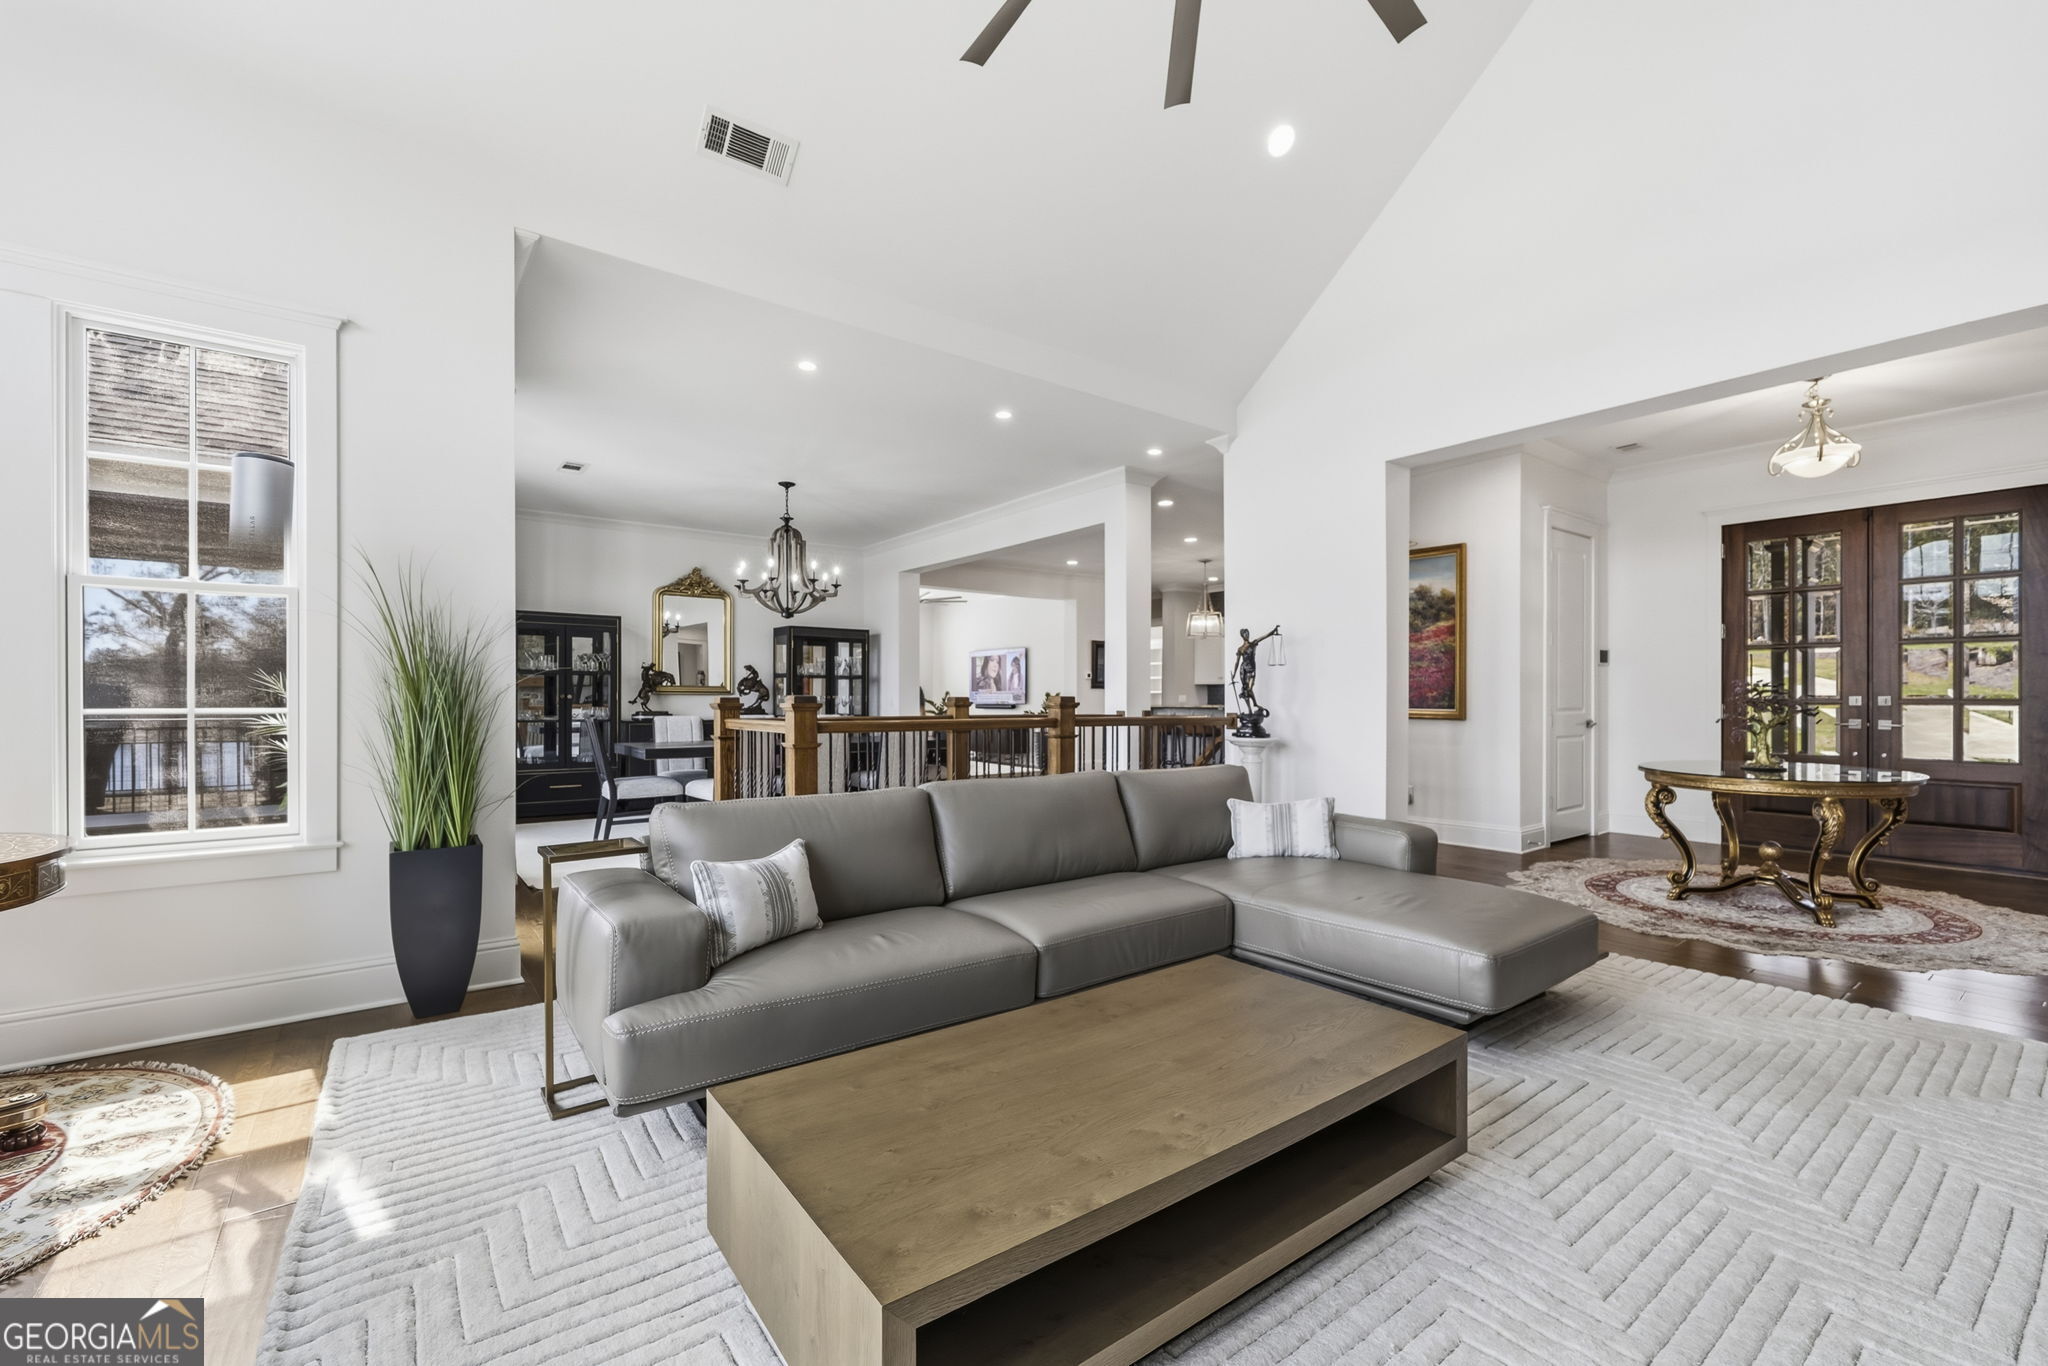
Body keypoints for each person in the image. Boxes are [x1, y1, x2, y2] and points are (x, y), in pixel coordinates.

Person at [1231, 626, 1281, 737]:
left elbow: (1263, 637)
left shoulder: (1253, 644)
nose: (1247, 635)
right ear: (1242, 636)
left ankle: (1255, 704)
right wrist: (1233, 674)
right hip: (1243, 669)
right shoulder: (1240, 649)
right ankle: (1250, 709)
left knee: (1249, 689)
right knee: (1245, 691)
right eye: (1245, 634)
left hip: (1251, 669)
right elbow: (1237, 662)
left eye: (1248, 633)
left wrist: (1272, 632)